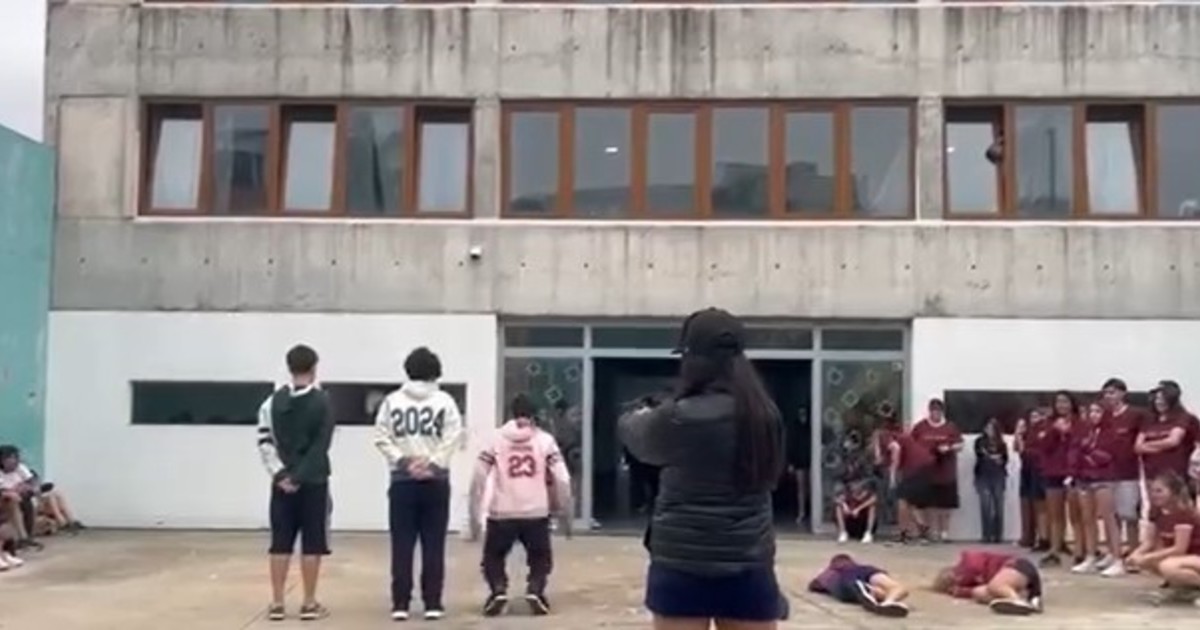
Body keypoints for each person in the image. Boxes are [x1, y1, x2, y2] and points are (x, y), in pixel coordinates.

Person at [619, 307, 785, 630]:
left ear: (691, 358)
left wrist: (643, 409)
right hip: (749, 562)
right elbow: (772, 474)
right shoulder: (766, 416)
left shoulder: (674, 416)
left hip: (680, 565)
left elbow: (633, 435)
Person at [373, 347, 465, 622]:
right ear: (435, 372)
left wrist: (404, 462)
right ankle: (432, 603)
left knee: (402, 544)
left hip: (402, 482)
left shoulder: (392, 401)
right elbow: (452, 436)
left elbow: (381, 436)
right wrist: (433, 464)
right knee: (433, 544)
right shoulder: (444, 401)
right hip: (435, 482)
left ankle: (400, 603)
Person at [469, 393, 573, 617]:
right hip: (536, 510)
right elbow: (562, 478)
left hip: (502, 510)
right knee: (540, 557)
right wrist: (564, 509)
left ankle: (498, 589)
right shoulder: (545, 440)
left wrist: (475, 512)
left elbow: (479, 475)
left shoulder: (495, 438)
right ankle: (535, 589)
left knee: (493, 556)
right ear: (534, 415)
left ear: (510, 413)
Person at [255, 344, 335, 622]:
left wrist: (281, 475)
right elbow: (321, 445)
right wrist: (301, 476)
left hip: (281, 485)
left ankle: (277, 603)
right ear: (314, 368)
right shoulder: (323, 402)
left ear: (289, 368)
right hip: (314, 482)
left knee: (280, 542)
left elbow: (264, 441)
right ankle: (309, 603)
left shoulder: (271, 403)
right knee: (312, 543)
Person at [1126, 472, 1200, 605]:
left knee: (1168, 566)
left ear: (1173, 493)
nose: (1154, 495)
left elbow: (1179, 549)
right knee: (1145, 561)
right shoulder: (1157, 513)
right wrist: (1136, 554)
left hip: (1195, 555)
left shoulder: (1184, 513)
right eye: (1152, 491)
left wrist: (1149, 557)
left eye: (1159, 491)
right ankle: (1185, 588)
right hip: (1186, 558)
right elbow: (1149, 542)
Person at [1068, 400, 1123, 574]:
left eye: (1098, 411)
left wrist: (1088, 453)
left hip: (1104, 478)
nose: (1093, 415)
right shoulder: (1085, 432)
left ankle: (1117, 559)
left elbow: (1107, 456)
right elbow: (1076, 452)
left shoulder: (1111, 432)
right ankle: (1091, 556)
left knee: (1109, 518)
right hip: (1084, 478)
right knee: (1088, 519)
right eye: (1091, 411)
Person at [1101, 377, 1148, 565]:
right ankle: (1114, 552)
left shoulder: (1136, 415)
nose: (1108, 396)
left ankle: (1134, 554)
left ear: (1122, 393)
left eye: (1112, 392)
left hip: (1128, 473)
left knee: (1129, 516)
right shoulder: (1105, 416)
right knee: (1111, 516)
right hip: (1106, 473)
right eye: (1106, 393)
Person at [875, 415, 936, 544]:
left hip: (915, 468)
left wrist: (892, 476)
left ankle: (904, 533)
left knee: (902, 500)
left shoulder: (885, 435)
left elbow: (895, 449)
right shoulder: (901, 436)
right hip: (925, 466)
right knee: (909, 502)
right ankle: (923, 530)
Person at [909, 399, 964, 542]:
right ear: (929, 411)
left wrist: (948, 448)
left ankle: (944, 534)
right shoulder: (920, 427)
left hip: (946, 472)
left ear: (942, 412)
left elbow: (960, 445)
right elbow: (910, 444)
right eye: (933, 411)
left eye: (938, 411)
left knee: (945, 505)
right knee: (923, 505)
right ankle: (927, 532)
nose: (936, 414)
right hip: (925, 471)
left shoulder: (950, 427)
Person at [932, 549, 1043, 616]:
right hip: (1017, 582)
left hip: (1017, 566)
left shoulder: (968, 560)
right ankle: (1025, 598)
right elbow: (972, 590)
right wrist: (961, 591)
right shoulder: (970, 581)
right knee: (978, 592)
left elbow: (972, 571)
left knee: (995, 585)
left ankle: (1015, 599)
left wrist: (958, 588)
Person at [1138, 384, 1199, 499]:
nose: (1158, 402)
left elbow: (1173, 441)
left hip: (1176, 475)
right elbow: (1138, 447)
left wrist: (1148, 445)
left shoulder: (1185, 418)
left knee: (1179, 506)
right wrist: (1162, 446)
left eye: (1162, 399)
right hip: (1152, 474)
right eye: (1157, 398)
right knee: (1156, 506)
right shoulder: (1150, 420)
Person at [1039, 391, 1078, 567]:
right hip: (1053, 472)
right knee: (1055, 514)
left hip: (1074, 472)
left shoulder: (1079, 422)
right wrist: (1055, 430)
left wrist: (1068, 432)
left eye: (1065, 401)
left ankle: (1081, 549)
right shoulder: (1048, 423)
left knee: (1077, 515)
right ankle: (1054, 549)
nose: (1062, 405)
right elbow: (1043, 446)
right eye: (1058, 402)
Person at [807, 553, 909, 617]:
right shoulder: (862, 567)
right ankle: (888, 600)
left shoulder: (829, 573)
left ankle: (869, 591)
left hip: (844, 583)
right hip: (866, 572)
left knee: (851, 586)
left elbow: (813, 585)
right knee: (895, 587)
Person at [1015, 409, 1049, 550]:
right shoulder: (1029, 432)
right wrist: (1018, 434)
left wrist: (1025, 449)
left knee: (1040, 505)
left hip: (1039, 470)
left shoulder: (1044, 430)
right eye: (1031, 416)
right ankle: (1029, 536)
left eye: (1036, 416)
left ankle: (1044, 537)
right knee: (1027, 503)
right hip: (1027, 470)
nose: (1033, 419)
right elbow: (1018, 450)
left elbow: (1032, 451)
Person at [973, 418, 1008, 544]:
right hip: (983, 476)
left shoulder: (1002, 444)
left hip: (998, 476)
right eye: (987, 427)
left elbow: (1005, 460)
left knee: (999, 506)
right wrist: (992, 457)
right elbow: (979, 454)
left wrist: (999, 460)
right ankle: (986, 535)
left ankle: (998, 535)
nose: (989, 430)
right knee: (985, 505)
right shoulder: (979, 441)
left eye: (992, 428)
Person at [835, 479, 876, 544]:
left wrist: (858, 509)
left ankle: (868, 533)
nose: (855, 486)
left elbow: (873, 500)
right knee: (838, 507)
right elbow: (837, 500)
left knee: (872, 507)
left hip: (863, 524)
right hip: (851, 523)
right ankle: (843, 533)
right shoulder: (847, 494)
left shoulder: (867, 494)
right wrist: (845, 506)